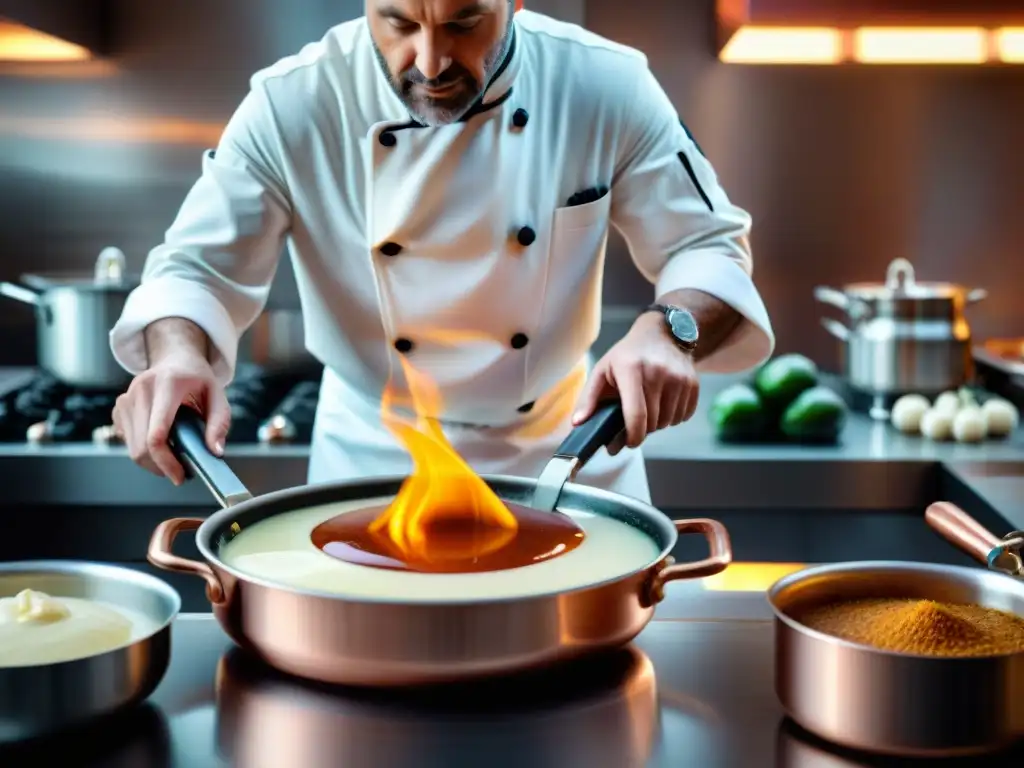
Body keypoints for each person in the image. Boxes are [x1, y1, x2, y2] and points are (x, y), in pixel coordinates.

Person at [109, 0, 774, 504]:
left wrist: (670, 332)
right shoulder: (291, 103)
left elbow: (705, 244)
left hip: (563, 447)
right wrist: (175, 355)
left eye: (463, 23)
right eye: (399, 22)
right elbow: (195, 270)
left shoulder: (606, 83)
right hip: (372, 461)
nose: (430, 61)